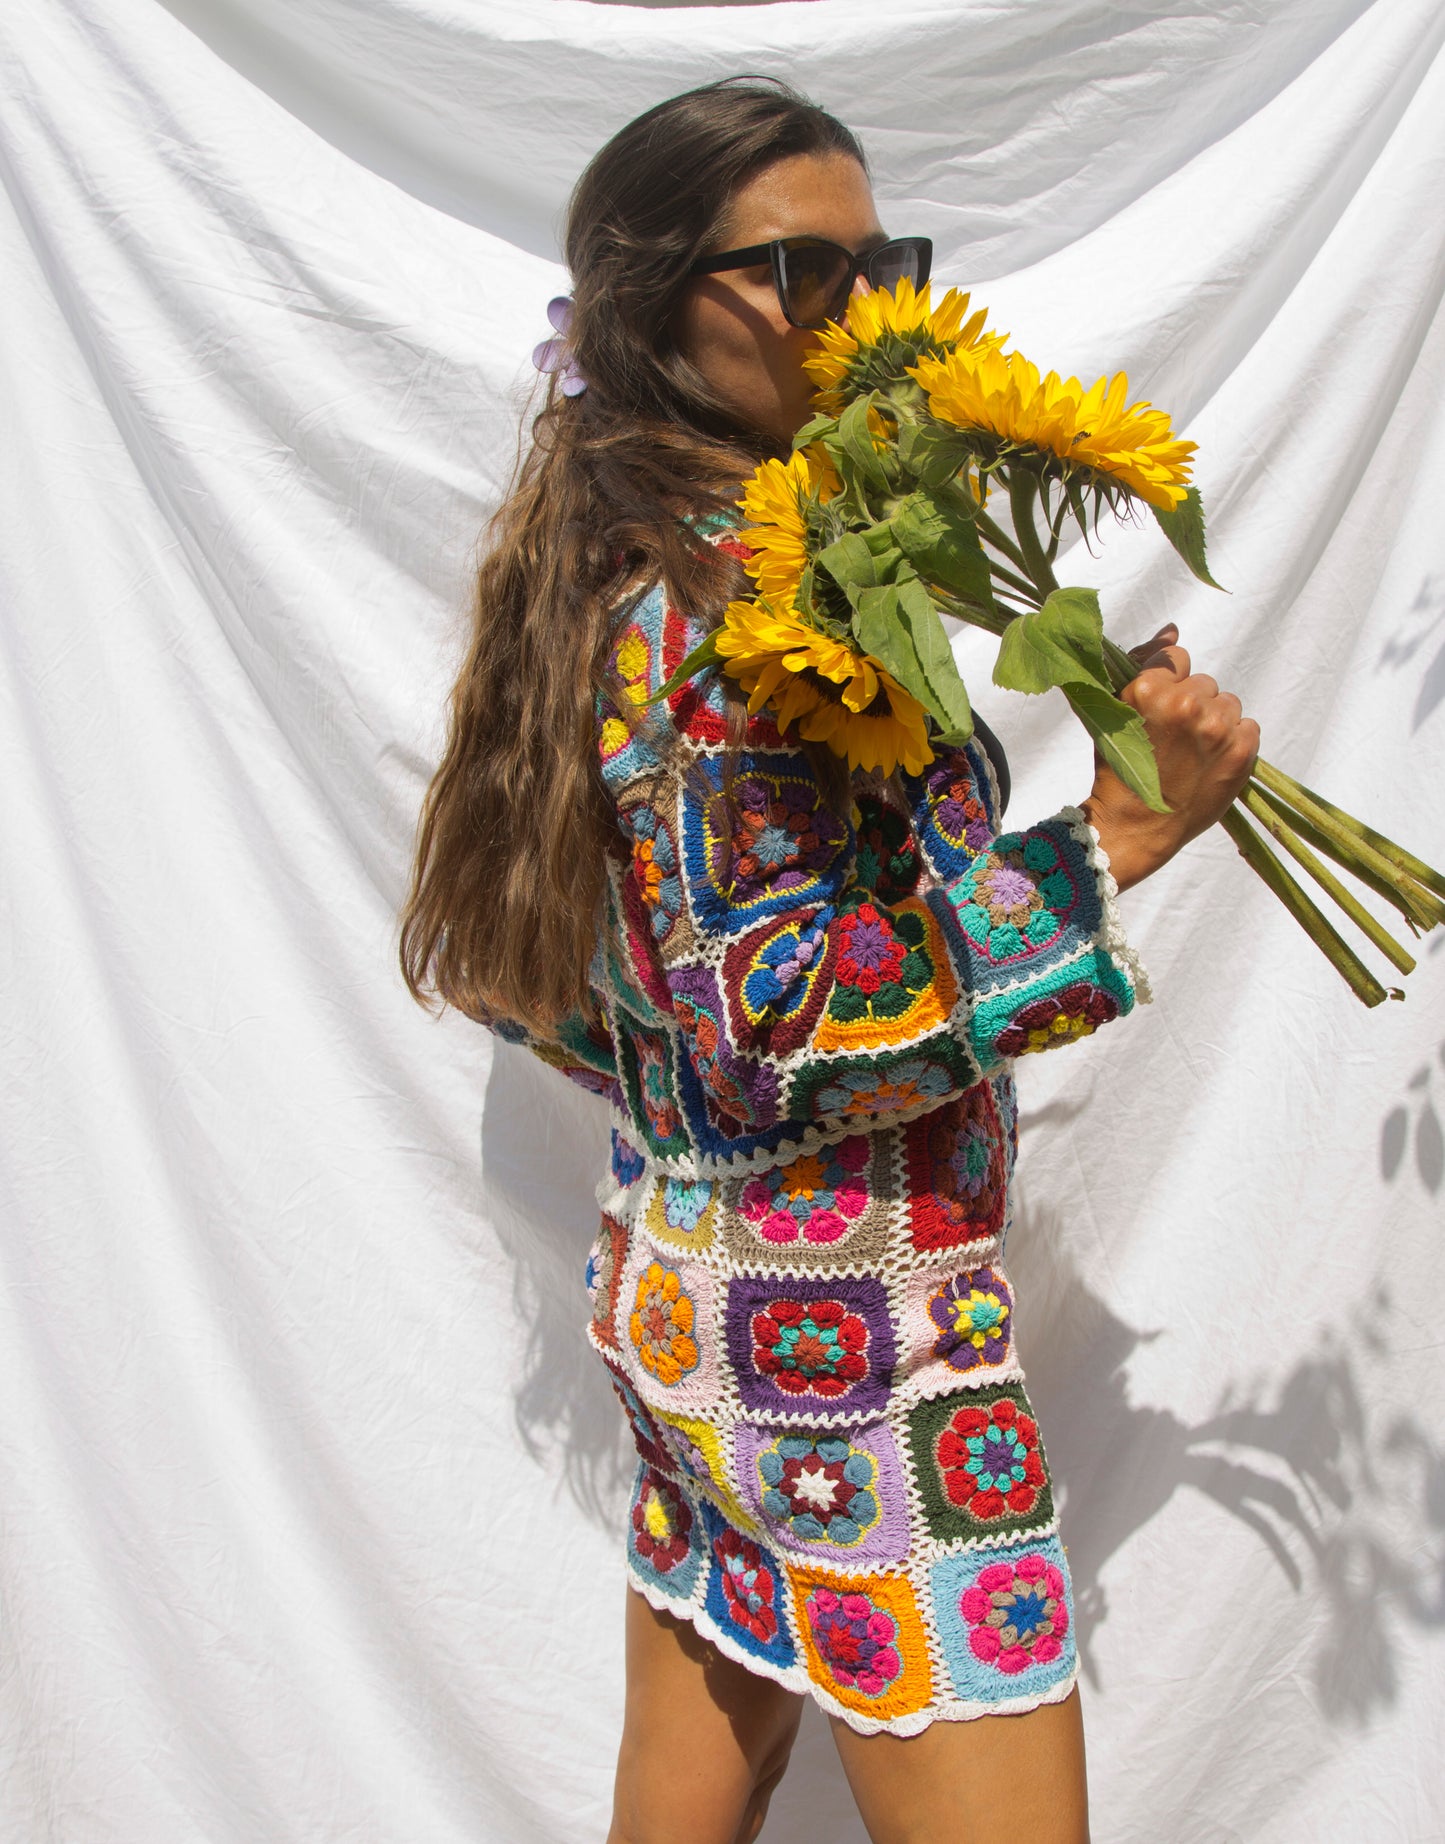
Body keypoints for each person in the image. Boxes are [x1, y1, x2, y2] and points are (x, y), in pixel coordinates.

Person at [400, 77, 1259, 1844]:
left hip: (688, 1293)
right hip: (848, 1347)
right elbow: (770, 1035)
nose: (862, 319)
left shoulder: (627, 565)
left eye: (886, 267)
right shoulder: (732, 620)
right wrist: (1103, 849)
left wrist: (691, 1149)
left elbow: (537, 977)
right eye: (801, 272)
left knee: (684, 1794)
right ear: (649, 307)